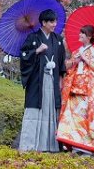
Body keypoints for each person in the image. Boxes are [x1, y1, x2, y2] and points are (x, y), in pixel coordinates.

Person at [17, 9, 66, 152]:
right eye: (51, 21)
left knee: (51, 110)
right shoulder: (33, 37)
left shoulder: (58, 40)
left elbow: (62, 62)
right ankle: (29, 145)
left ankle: (49, 146)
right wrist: (37, 50)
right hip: (37, 81)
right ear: (43, 23)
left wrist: (61, 80)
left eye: (55, 21)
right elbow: (24, 55)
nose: (54, 24)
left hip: (53, 79)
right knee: (35, 110)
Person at [56, 24, 94, 154]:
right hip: (73, 88)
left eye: (82, 33)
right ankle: (70, 143)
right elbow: (68, 67)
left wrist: (88, 60)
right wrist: (74, 61)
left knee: (84, 117)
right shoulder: (76, 51)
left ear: (89, 36)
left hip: (87, 91)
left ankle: (85, 147)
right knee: (70, 116)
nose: (80, 35)